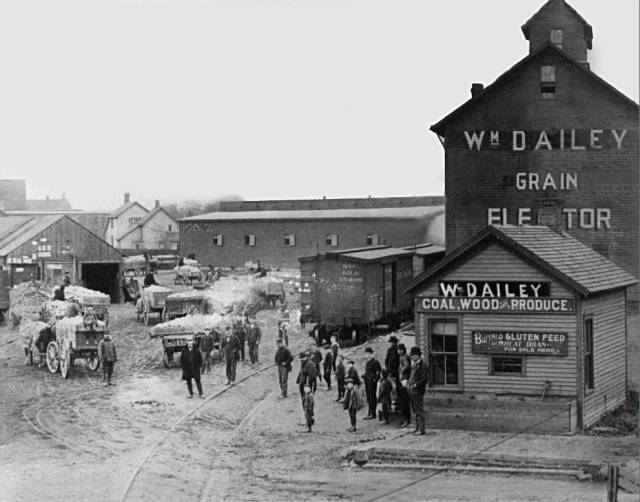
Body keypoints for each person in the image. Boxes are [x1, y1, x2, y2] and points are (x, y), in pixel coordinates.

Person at [408, 346, 429, 435]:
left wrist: (415, 385)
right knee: (415, 410)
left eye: (413, 355)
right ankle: (417, 428)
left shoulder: (423, 365)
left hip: (418, 391)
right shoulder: (414, 365)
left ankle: (421, 430)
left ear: (417, 355)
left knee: (419, 410)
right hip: (412, 391)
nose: (411, 357)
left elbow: (424, 379)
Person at [362, 347, 381, 420]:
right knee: (369, 398)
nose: (368, 355)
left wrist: (375, 380)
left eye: (369, 354)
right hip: (367, 381)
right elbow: (367, 372)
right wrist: (364, 375)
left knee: (372, 397)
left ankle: (373, 413)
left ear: (372, 354)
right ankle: (369, 413)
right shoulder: (367, 362)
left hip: (372, 382)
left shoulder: (375, 362)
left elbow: (378, 372)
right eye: (367, 354)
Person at [397, 344, 412, 428]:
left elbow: (407, 366)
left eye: (400, 349)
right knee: (402, 400)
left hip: (405, 379)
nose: (398, 351)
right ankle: (405, 419)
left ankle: (407, 419)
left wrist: (401, 372)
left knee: (405, 400)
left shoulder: (405, 357)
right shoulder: (401, 357)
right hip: (402, 379)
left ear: (403, 350)